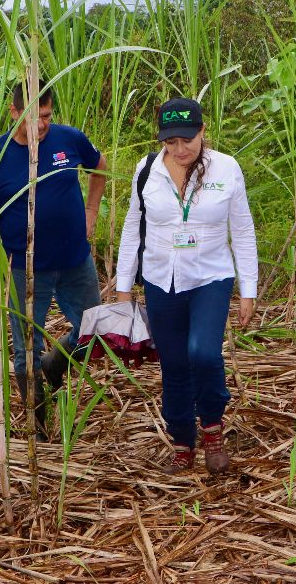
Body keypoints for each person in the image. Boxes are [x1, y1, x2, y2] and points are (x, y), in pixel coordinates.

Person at [115, 97, 258, 475]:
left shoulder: (226, 169)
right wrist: (123, 286)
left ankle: (212, 428)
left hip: (210, 276)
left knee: (204, 353)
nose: (179, 150)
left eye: (187, 140)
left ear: (202, 131)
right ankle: (182, 441)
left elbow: (242, 229)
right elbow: (133, 225)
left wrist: (249, 289)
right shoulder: (147, 170)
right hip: (161, 278)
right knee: (174, 363)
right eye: (170, 142)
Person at [0, 83, 107, 440]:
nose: (41, 125)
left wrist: (92, 209)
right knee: (24, 351)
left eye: (45, 116)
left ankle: (56, 361)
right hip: (24, 270)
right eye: (33, 118)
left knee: (96, 335)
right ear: (14, 113)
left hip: (76, 261)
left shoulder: (69, 139)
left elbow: (100, 166)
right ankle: (38, 424)